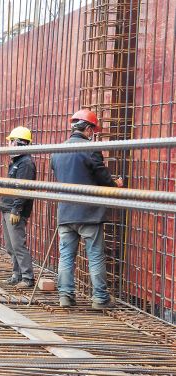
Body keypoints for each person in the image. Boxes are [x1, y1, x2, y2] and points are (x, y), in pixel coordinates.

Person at [50, 109, 123, 309]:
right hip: (89, 214)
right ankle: (100, 298)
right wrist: (115, 184)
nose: (93, 134)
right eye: (93, 130)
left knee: (66, 256)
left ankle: (65, 296)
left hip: (65, 214)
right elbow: (102, 178)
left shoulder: (58, 150)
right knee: (95, 256)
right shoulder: (91, 149)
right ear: (88, 129)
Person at [0, 126, 36, 288]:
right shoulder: (16, 162)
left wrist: (16, 209)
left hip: (14, 211)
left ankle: (27, 277)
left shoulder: (26, 164)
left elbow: (23, 188)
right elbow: (13, 184)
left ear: (19, 143)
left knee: (18, 245)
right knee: (10, 246)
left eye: (11, 142)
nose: (9, 145)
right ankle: (17, 274)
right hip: (7, 208)